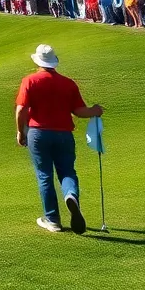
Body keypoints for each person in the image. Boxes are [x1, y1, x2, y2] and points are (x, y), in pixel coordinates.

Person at [15, 45, 105, 234]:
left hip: (38, 134)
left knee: (44, 176)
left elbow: (21, 110)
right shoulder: (68, 83)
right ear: (54, 62)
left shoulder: (30, 81)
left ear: (37, 61)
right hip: (64, 134)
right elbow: (79, 111)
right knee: (67, 172)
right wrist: (94, 111)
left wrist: (21, 132)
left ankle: (53, 219)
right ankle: (71, 195)